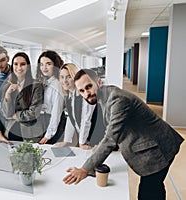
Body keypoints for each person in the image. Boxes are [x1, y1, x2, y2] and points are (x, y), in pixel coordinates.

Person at [63, 68, 184, 200]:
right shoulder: (105, 96)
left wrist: (85, 169)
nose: (87, 93)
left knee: (149, 192)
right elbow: (114, 128)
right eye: (82, 91)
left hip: (160, 147)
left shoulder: (117, 99)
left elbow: (110, 138)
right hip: (154, 143)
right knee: (152, 189)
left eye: (89, 87)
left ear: (99, 82)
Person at [0, 52, 44, 142]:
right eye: (16, 64)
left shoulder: (36, 86)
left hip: (30, 133)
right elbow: (5, 113)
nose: (19, 67)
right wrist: (8, 94)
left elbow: (33, 113)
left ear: (28, 67)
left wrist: (15, 116)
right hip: (10, 132)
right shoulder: (6, 86)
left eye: (23, 64)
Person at [55, 63, 96, 149]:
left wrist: (82, 143)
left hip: (95, 138)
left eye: (68, 77)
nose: (64, 81)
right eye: (62, 77)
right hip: (85, 139)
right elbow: (70, 118)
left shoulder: (84, 94)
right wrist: (66, 141)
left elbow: (86, 119)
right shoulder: (69, 96)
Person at [36, 50, 66, 144]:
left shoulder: (57, 84)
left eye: (48, 64)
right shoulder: (45, 82)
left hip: (54, 123)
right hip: (45, 120)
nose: (44, 67)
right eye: (41, 64)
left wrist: (48, 135)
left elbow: (56, 112)